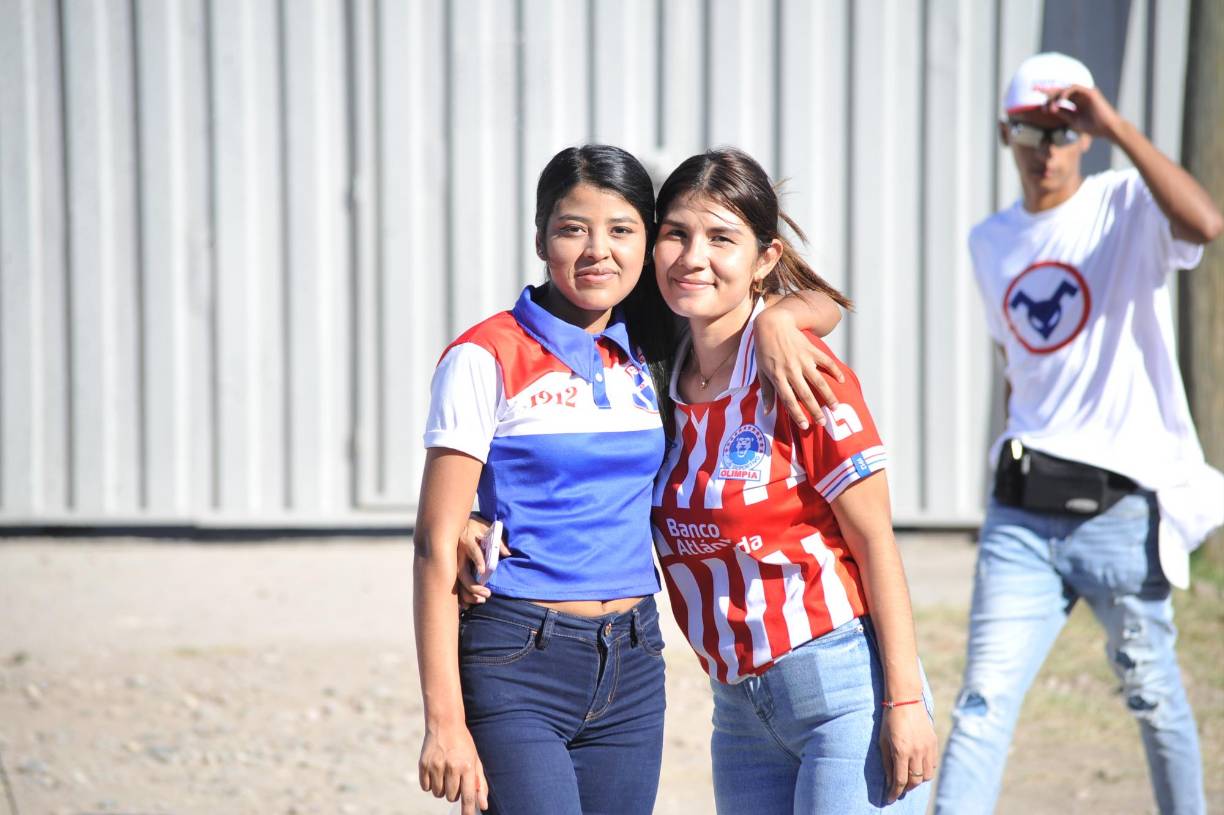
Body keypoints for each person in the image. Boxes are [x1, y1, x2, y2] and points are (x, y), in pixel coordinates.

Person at [415, 144, 845, 815]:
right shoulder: (485, 355)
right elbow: (434, 543)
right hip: (517, 657)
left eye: (621, 229)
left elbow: (819, 300)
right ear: (539, 238)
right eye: (572, 228)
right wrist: (443, 722)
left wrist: (784, 318)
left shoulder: (656, 343)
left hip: (636, 660)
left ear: (647, 243)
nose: (597, 250)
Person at [933, 52, 1223, 814]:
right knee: (983, 702)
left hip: (1121, 510)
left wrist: (1118, 126)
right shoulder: (989, 241)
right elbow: (1014, 361)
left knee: (1153, 695)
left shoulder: (1126, 203)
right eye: (1032, 130)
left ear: (1085, 135)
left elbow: (1207, 222)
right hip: (1022, 514)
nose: (1048, 148)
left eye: (1065, 130)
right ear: (1008, 133)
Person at [649, 147, 938, 813]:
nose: (694, 256)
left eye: (722, 237)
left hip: (843, 692)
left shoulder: (800, 372)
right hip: (739, 711)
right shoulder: (657, 367)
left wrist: (903, 703)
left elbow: (875, 543)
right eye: (676, 234)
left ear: (764, 260)